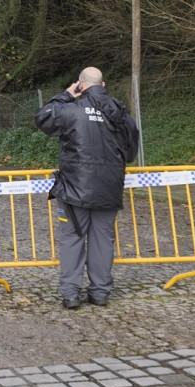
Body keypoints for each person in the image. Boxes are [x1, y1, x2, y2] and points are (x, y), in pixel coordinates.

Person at [34, 67, 140, 309]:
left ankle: (71, 294)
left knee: (72, 238)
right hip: (108, 188)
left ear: (80, 85)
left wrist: (66, 95)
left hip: (74, 189)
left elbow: (43, 118)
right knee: (103, 240)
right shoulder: (120, 113)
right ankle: (100, 293)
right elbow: (131, 151)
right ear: (102, 86)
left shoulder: (70, 109)